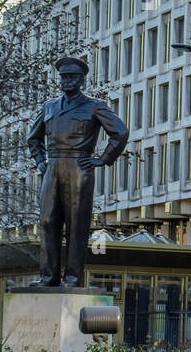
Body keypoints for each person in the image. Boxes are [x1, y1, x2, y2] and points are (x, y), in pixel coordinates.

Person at [26, 57, 129, 287]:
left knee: (76, 224)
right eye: (64, 77)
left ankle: (72, 278)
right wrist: (41, 161)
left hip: (78, 167)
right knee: (47, 221)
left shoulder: (94, 106)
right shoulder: (49, 107)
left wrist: (103, 160)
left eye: (72, 77)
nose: (68, 81)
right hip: (52, 168)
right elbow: (33, 138)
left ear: (82, 80)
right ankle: (48, 277)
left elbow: (120, 133)